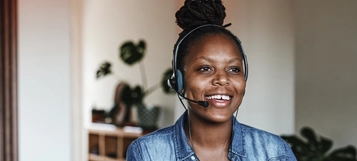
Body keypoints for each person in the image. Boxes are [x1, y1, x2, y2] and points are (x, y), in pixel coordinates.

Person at [126, 0, 297, 160]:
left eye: (234, 69)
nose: (222, 79)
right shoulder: (147, 152)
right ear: (179, 81)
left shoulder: (275, 153)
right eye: (205, 68)